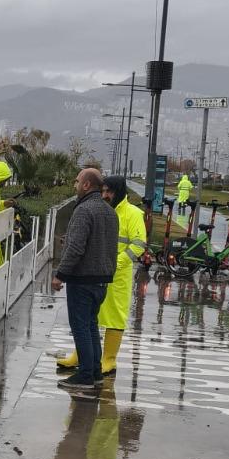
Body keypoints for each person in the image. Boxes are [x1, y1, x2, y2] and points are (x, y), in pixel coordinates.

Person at [55, 174, 146, 378]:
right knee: (90, 320)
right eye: (103, 191)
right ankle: (82, 357)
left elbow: (139, 244)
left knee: (113, 317)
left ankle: (109, 359)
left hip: (118, 274)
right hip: (100, 272)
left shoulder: (132, 213)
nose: (105, 195)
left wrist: (118, 262)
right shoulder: (105, 210)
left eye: (109, 192)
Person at [51, 166, 117, 397]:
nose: (75, 185)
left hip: (83, 279)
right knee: (90, 326)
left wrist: (60, 274)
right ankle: (96, 372)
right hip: (102, 280)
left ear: (87, 185)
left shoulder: (83, 210)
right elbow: (101, 244)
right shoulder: (110, 212)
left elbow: (77, 248)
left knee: (81, 326)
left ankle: (86, 375)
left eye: (77, 181)